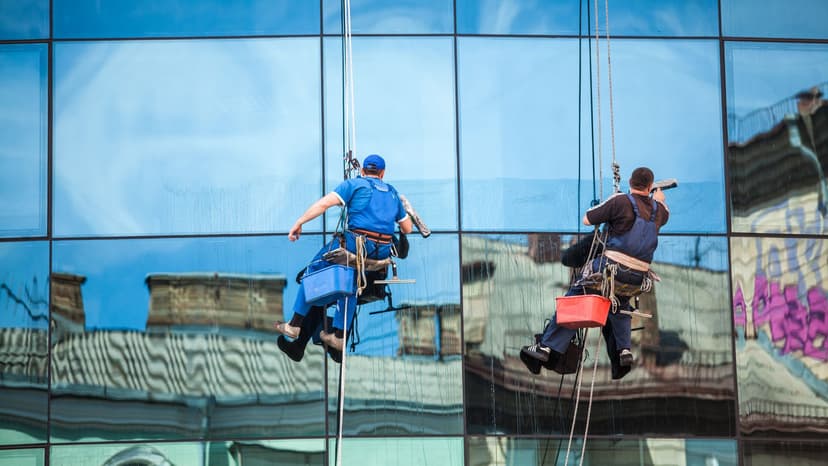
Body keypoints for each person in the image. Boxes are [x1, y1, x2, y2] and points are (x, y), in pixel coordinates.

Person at [521, 167, 669, 379]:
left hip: (610, 268)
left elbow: (588, 219)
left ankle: (546, 346)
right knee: (621, 304)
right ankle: (623, 350)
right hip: (637, 277)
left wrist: (613, 201)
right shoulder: (659, 211)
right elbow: (663, 209)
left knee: (576, 297)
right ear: (649, 187)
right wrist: (659, 198)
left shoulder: (620, 201)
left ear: (630, 182)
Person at [275, 154, 413, 353]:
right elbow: (407, 228)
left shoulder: (354, 185)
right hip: (379, 255)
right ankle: (339, 335)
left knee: (311, 272)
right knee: (351, 284)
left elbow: (323, 204)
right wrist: (404, 212)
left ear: (363, 171)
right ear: (382, 173)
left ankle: (294, 325)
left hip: (355, 247)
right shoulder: (393, 193)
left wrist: (299, 222)